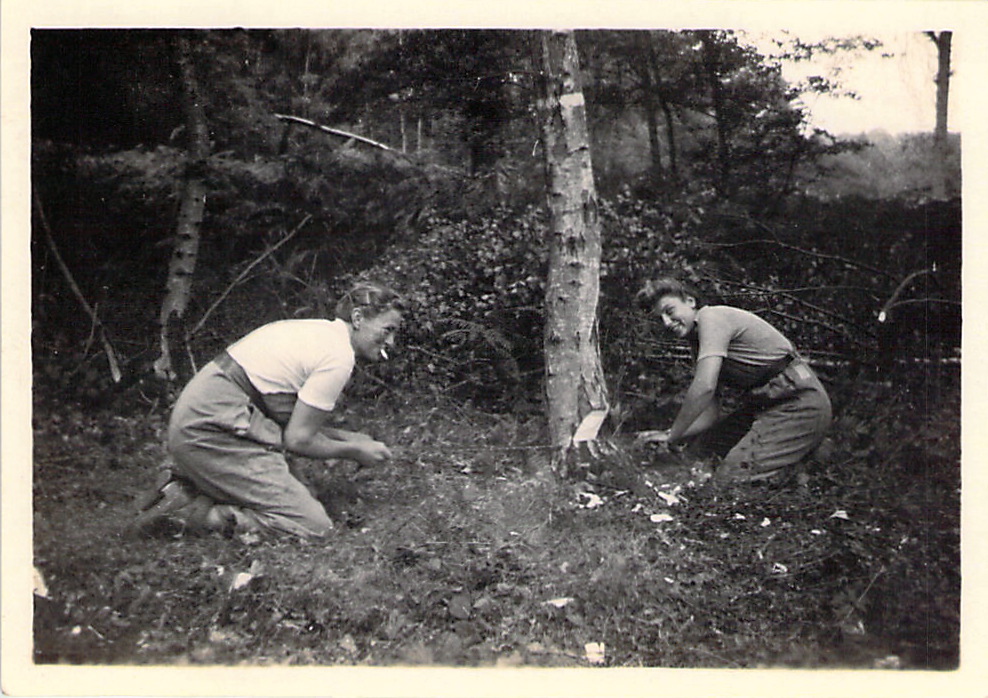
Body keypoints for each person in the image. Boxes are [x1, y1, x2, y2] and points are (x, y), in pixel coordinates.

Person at [130, 281, 405, 538]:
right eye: (387, 329)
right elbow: (298, 439)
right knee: (314, 525)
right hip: (210, 429)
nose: (390, 342)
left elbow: (295, 423)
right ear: (358, 319)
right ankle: (190, 513)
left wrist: (351, 438)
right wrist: (354, 450)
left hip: (210, 417)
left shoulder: (322, 333)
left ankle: (185, 488)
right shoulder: (338, 356)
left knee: (304, 495)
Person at [635, 278, 832, 485]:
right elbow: (709, 413)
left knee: (731, 478)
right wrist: (668, 434)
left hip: (800, 404)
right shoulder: (698, 340)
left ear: (691, 301)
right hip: (768, 407)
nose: (666, 322)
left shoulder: (711, 318)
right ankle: (791, 463)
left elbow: (704, 388)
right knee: (700, 453)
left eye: (670, 311)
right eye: (659, 319)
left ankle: (800, 471)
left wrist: (674, 435)